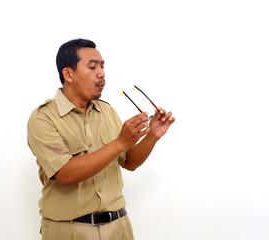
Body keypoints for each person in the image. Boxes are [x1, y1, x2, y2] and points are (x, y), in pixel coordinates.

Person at [27, 38, 175, 240]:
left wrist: (152, 136)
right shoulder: (43, 118)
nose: (101, 73)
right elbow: (66, 174)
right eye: (92, 66)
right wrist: (120, 142)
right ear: (68, 74)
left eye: (102, 66)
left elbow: (129, 162)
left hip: (118, 228)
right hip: (69, 231)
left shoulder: (107, 111)